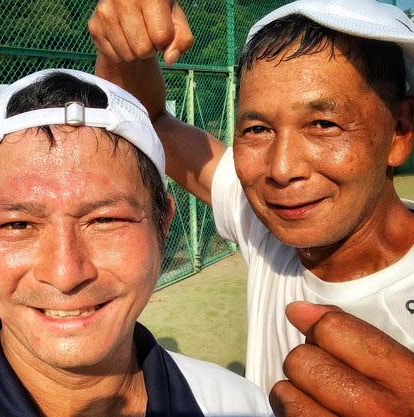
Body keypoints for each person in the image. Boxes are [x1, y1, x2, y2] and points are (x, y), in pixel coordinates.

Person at [0, 68, 274, 417]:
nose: (66, 274)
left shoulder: (239, 404)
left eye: (105, 219)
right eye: (17, 225)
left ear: (163, 224)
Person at [89, 0, 414, 415]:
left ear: (400, 132)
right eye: (257, 129)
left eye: (323, 124)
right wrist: (123, 48)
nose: (281, 169)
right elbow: (145, 120)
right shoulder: (265, 221)